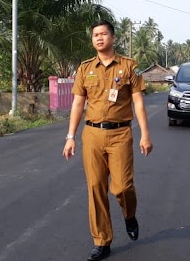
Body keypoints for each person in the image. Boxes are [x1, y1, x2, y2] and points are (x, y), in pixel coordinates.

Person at [62, 19, 153, 261]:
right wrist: (70, 137)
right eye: (95, 35)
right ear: (92, 40)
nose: (99, 38)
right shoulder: (84, 68)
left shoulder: (128, 67)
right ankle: (102, 241)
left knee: (123, 187)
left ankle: (129, 214)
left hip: (120, 134)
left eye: (103, 34)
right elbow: (78, 104)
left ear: (113, 38)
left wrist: (145, 134)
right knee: (95, 188)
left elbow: (138, 103)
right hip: (92, 134)